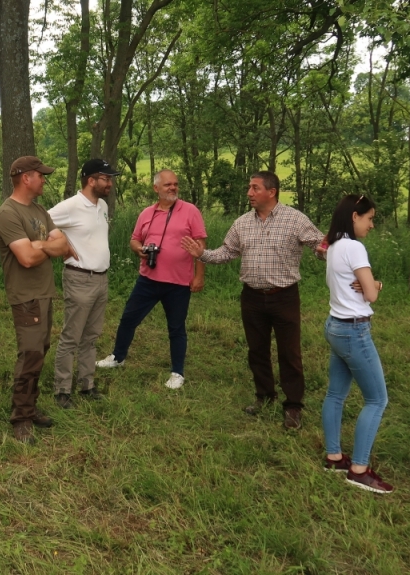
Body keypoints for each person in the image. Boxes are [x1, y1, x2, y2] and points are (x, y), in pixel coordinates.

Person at [180, 171, 324, 429]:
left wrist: (338, 251)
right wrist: (202, 254)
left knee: (289, 353)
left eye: (255, 188)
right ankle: (264, 396)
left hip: (284, 297)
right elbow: (227, 252)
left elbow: (319, 246)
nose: (249, 193)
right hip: (252, 297)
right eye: (249, 187)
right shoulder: (242, 223)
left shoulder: (295, 220)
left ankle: (293, 406)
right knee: (257, 350)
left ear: (272, 192)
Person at [97, 169, 206, 390]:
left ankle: (177, 372)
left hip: (178, 283)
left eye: (175, 184)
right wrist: (139, 250)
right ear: (156, 188)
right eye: (167, 185)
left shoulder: (190, 211)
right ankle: (118, 357)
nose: (173, 188)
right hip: (148, 279)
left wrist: (198, 276)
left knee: (176, 328)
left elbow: (201, 246)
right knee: (128, 319)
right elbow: (134, 240)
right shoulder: (146, 213)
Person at [0, 156, 74, 444]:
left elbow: (63, 244)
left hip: (44, 293)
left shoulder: (39, 210)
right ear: (26, 177)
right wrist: (46, 246)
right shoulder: (8, 213)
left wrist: (40, 244)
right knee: (29, 355)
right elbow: (26, 258)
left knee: (39, 351)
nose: (45, 179)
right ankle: (21, 417)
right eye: (41, 175)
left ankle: (30, 405)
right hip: (26, 296)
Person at [320, 195, 393, 493]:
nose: (372, 224)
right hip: (354, 331)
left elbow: (358, 286)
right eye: (369, 218)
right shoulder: (354, 247)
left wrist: (367, 285)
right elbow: (371, 295)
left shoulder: (334, 247)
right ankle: (359, 470)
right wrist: (372, 285)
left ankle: (334, 457)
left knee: (336, 394)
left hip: (335, 326)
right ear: (354, 216)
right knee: (377, 400)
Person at [47, 159, 119, 409]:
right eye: (106, 178)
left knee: (91, 336)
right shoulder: (71, 206)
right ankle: (62, 390)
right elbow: (40, 222)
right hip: (79, 279)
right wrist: (62, 245)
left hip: (101, 279)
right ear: (91, 180)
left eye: (110, 179)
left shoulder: (102, 206)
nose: (110, 183)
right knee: (71, 337)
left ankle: (87, 385)